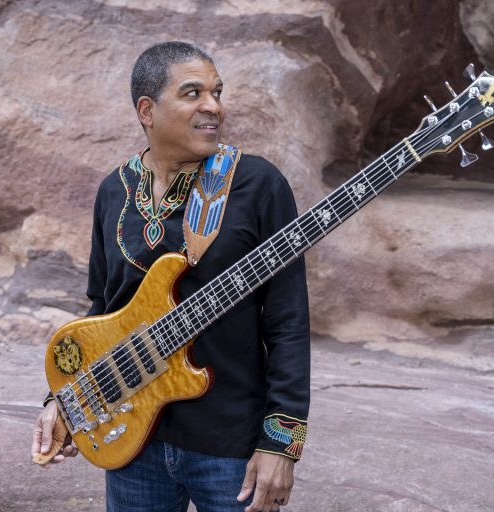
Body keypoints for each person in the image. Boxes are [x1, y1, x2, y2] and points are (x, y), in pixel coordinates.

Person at [31, 41, 310, 512]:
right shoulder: (113, 191)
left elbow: (288, 325)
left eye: (217, 93)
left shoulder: (257, 185)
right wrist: (63, 398)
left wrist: (280, 445)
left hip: (229, 448)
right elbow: (102, 312)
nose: (213, 107)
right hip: (132, 443)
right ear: (147, 110)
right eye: (193, 93)